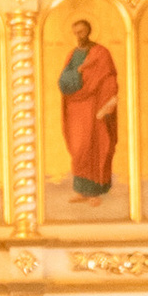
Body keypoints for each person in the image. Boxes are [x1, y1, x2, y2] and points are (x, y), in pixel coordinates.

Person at [57, 17, 117, 198]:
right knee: (79, 148)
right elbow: (63, 79)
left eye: (81, 32)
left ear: (89, 31)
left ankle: (96, 190)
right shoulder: (73, 54)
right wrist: (78, 72)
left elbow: (109, 78)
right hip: (76, 108)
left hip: (95, 105)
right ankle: (82, 191)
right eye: (76, 33)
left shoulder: (101, 53)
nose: (78, 36)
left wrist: (107, 104)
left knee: (95, 145)